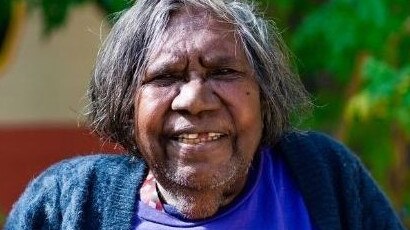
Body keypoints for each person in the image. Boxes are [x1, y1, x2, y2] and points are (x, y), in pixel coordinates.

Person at [5, 0, 404, 229]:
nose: (195, 100)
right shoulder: (68, 205)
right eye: (166, 77)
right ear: (128, 104)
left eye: (223, 72)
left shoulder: (328, 179)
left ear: (264, 96)